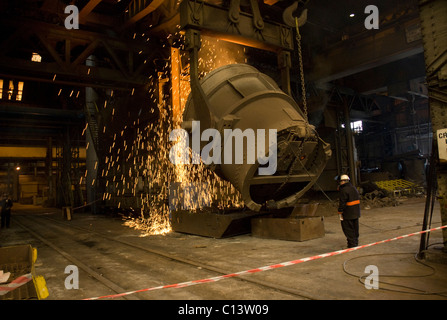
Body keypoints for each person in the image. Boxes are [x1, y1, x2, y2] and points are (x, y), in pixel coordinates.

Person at [337, 175, 360, 248]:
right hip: (356, 212)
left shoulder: (344, 190)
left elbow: (342, 202)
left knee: (348, 229)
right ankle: (355, 242)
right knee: (355, 228)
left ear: (343, 181)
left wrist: (340, 211)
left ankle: (351, 245)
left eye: (340, 181)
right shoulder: (353, 188)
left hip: (348, 213)